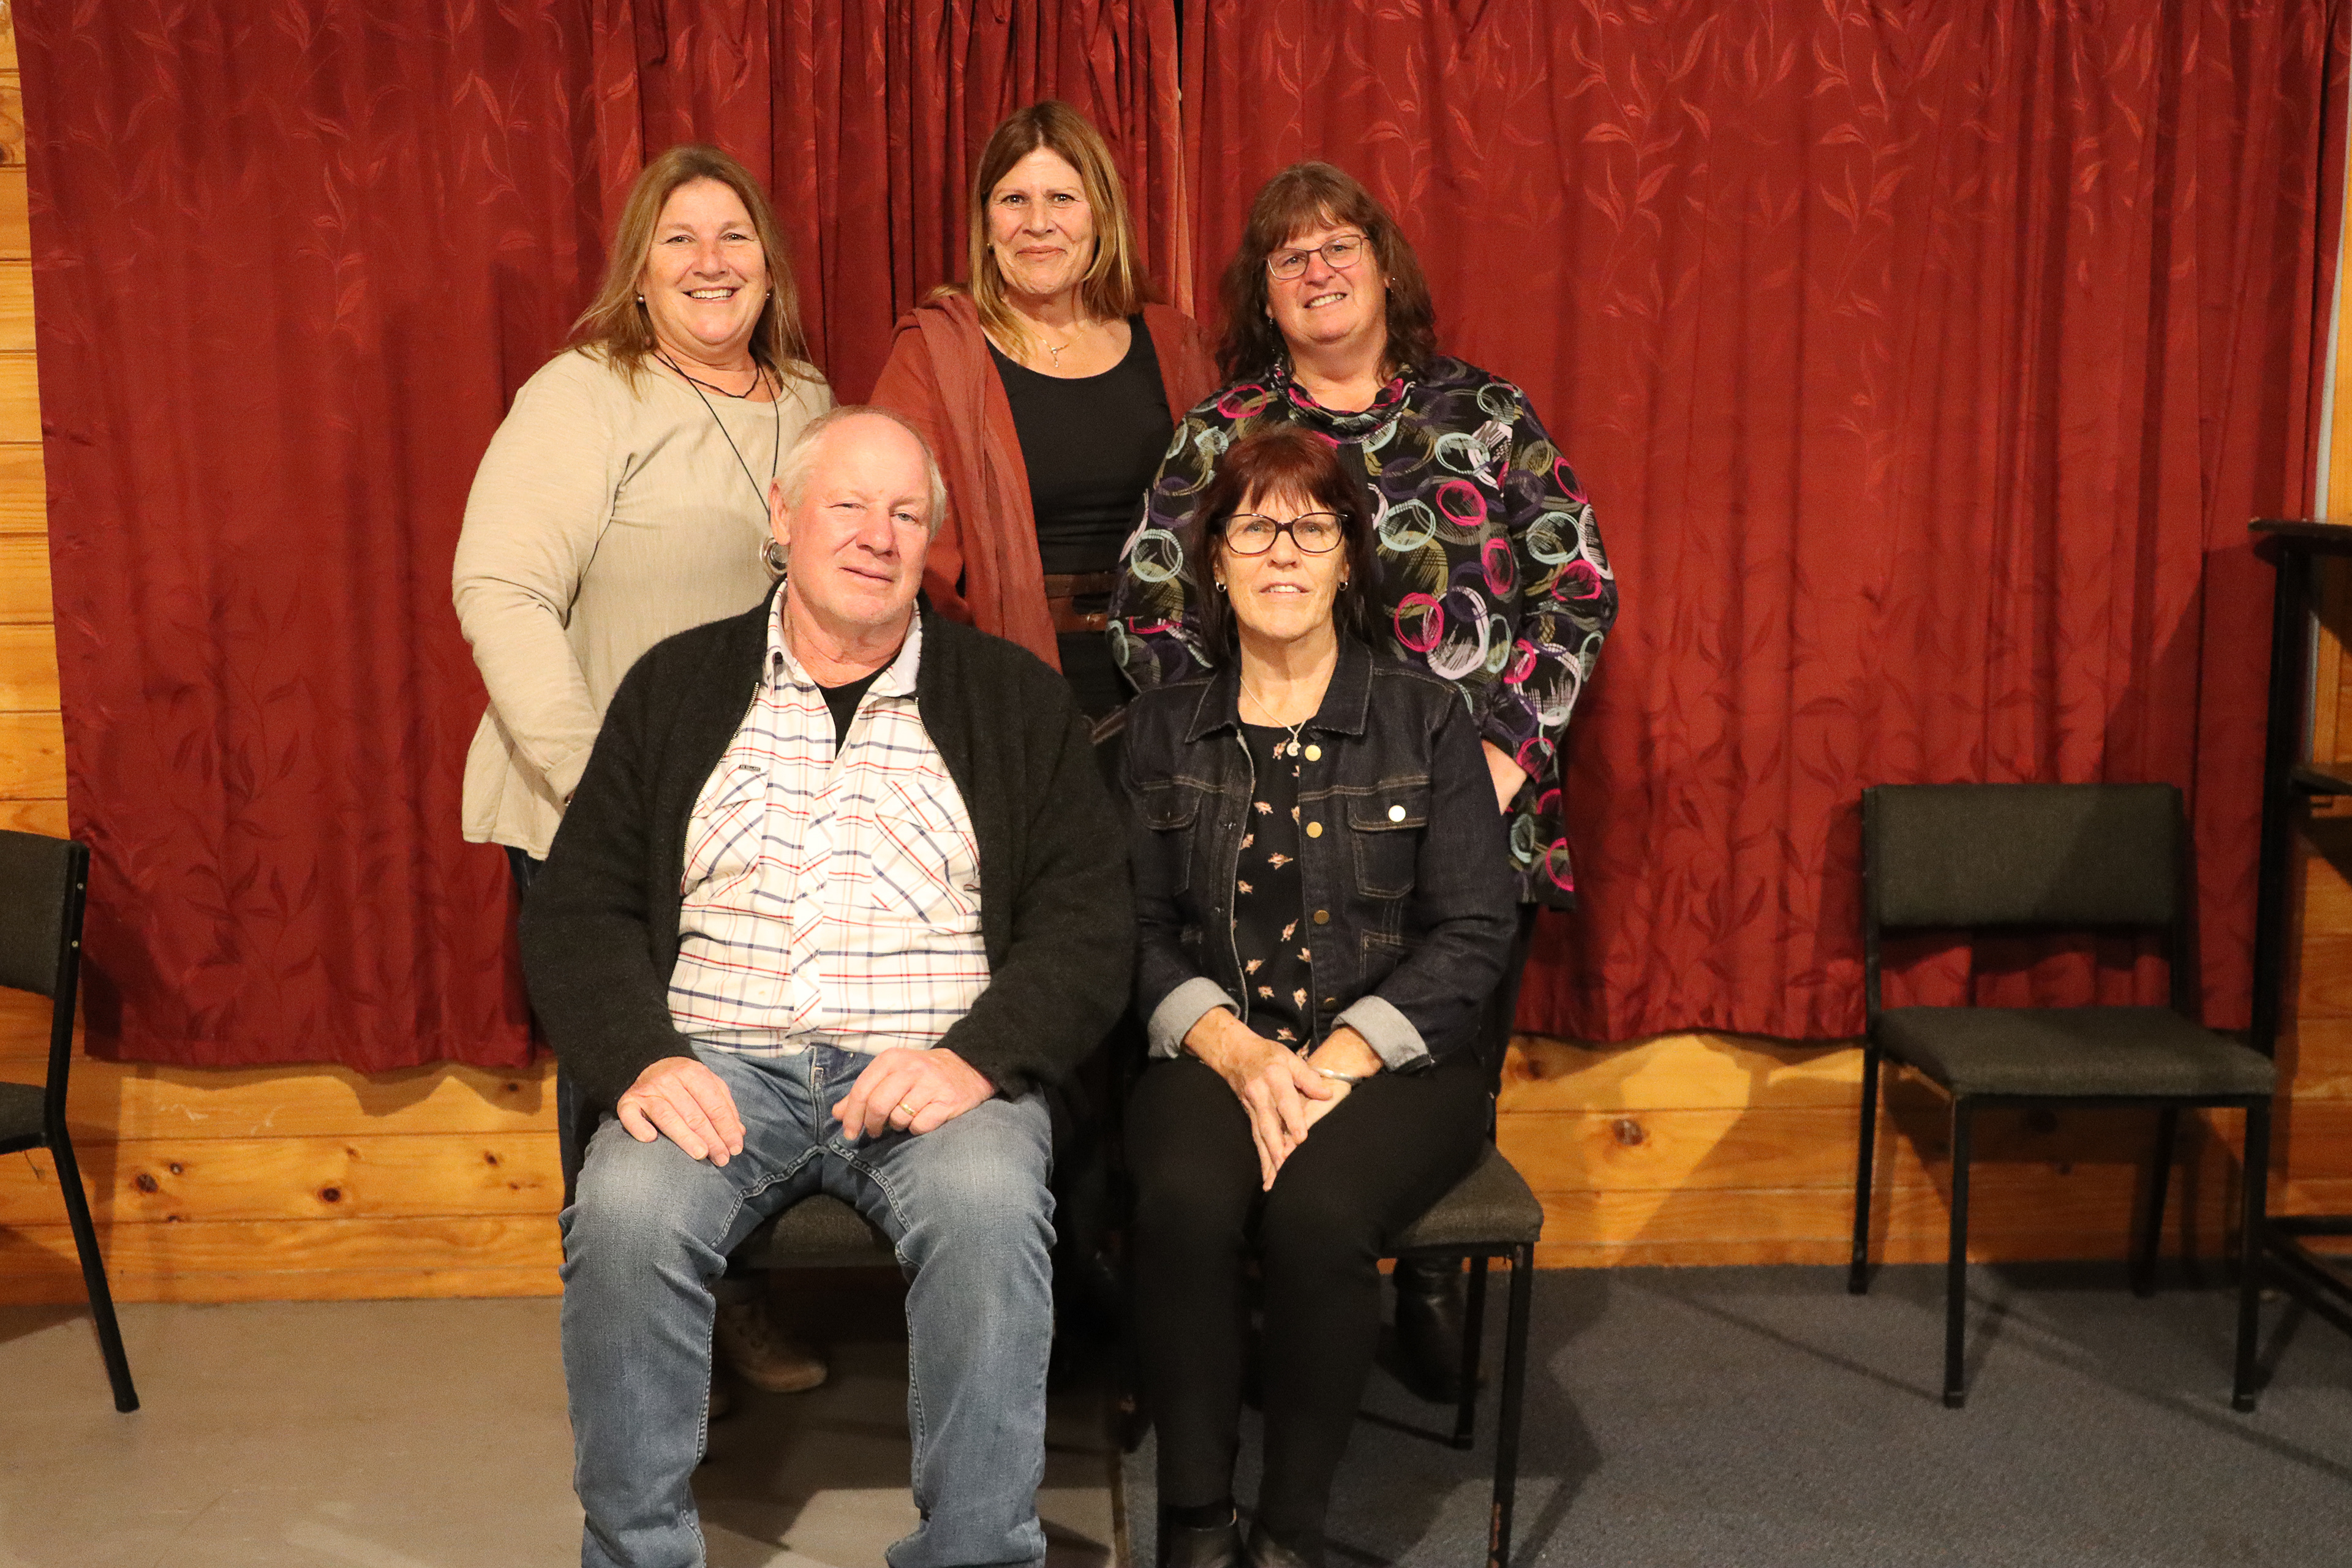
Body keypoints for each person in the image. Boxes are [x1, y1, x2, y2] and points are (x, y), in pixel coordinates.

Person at [521, 406, 1133, 1568]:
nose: (877, 535)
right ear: (785, 517)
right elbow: (579, 908)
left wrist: (977, 1058)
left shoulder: (1013, 701)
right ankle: (639, 1556)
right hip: (717, 1065)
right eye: (848, 505)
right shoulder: (677, 686)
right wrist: (641, 1058)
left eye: (906, 514)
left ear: (930, 542)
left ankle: (974, 1555)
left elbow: (1088, 923)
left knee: (991, 1208)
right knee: (627, 1213)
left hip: (933, 1066)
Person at [1109, 160, 1619, 1398]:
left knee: (1437, 1060)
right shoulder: (1221, 432)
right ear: (1264, 293)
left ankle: (1425, 1279)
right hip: (1258, 830)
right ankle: (1255, 1287)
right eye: (1291, 257)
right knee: (1252, 1075)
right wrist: (1238, 759)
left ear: (1386, 270)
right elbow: (1148, 613)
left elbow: (1577, 586)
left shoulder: (1485, 414)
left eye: (1341, 246)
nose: (1320, 270)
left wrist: (1502, 756)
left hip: (1475, 809)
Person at [453, 144, 835, 1400]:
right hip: (598, 816)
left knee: (744, 1072)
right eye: (679, 238)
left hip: (756, 817)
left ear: (769, 265)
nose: (710, 261)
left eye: (734, 236)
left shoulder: (810, 403)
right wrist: (595, 789)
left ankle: (736, 1303)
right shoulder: (585, 394)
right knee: (629, 1087)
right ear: (638, 270)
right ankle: (635, 1360)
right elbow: (500, 589)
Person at [1120, 428, 1516, 1568]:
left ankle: (1290, 1532)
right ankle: (1198, 1523)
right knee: (1185, 1203)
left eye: (1312, 526)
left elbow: (1475, 929)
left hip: (1398, 1063)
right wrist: (1242, 1055)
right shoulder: (1159, 727)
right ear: (1216, 559)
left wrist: (1338, 1060)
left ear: (1350, 558)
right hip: (1215, 1049)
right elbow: (1130, 931)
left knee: (1318, 1217)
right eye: (1255, 527)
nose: (1283, 551)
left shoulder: (1427, 717)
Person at [872, 100, 1216, 720]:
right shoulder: (934, 351)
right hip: (1003, 685)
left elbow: (1228, 523)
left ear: (1100, 215)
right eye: (1014, 200)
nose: (1038, 224)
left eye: (1062, 199)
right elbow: (903, 546)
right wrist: (977, 696)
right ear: (985, 223)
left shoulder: (1176, 345)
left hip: (1176, 690)